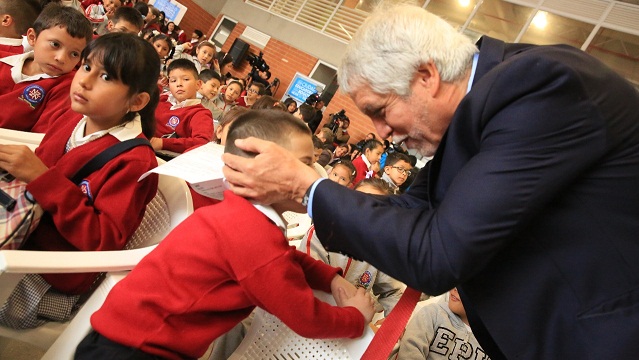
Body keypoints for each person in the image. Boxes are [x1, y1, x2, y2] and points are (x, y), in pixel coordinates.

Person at [221, 4, 639, 359]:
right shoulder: (471, 120)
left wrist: (306, 187)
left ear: (426, 76)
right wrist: (307, 199)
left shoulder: (539, 85)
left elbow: (438, 254)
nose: (382, 133)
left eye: (381, 110)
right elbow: (410, 212)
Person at [75, 110, 376, 360]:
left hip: (121, 336)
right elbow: (305, 317)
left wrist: (330, 278)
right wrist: (355, 317)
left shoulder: (240, 217)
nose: (316, 175)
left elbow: (284, 258)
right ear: (256, 165)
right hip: (139, 351)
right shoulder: (252, 237)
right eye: (307, 163)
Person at [0, 32, 159, 329]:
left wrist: (41, 178)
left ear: (137, 101)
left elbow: (103, 240)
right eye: (86, 67)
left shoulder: (134, 161)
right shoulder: (77, 116)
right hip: (19, 230)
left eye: (107, 77)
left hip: (45, 274)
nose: (84, 81)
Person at [0, 2, 93, 132]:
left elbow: (40, 137)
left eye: (74, 54)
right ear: (32, 38)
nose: (61, 58)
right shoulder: (3, 61)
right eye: (55, 44)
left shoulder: (66, 86)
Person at [393, 288, 488, 360]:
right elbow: (409, 353)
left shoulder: (495, 343)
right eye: (458, 282)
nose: (455, 289)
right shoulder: (432, 314)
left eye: (466, 286)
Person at [151, 58, 213, 154]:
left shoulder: (200, 113)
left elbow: (202, 142)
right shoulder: (162, 99)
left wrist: (162, 143)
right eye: (173, 80)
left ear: (198, 84)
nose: (179, 84)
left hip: (163, 157)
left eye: (186, 79)